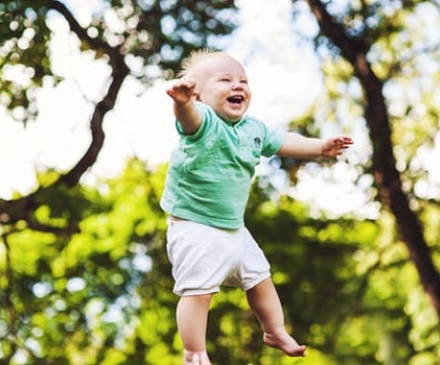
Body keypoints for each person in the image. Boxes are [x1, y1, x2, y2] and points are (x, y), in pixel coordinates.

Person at [160, 49, 353, 365]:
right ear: (199, 94)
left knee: (261, 278)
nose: (237, 86)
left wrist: (319, 147)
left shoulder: (253, 129)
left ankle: (275, 330)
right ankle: (193, 351)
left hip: (235, 229)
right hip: (195, 228)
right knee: (198, 293)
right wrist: (182, 103)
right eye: (225, 80)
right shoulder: (204, 121)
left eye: (243, 81)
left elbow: (284, 142)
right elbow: (189, 119)